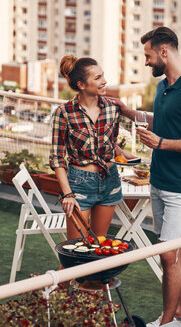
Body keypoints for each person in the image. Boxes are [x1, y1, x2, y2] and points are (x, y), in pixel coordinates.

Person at [109, 27, 181, 326]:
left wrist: (162, 143)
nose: (146, 62)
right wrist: (128, 112)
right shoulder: (163, 87)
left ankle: (166, 321)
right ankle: (179, 312)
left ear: (164, 51)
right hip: (159, 179)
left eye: (148, 55)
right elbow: (165, 120)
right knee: (172, 251)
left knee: (167, 255)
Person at [49, 55, 136, 240]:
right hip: (79, 184)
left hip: (109, 180)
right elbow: (57, 158)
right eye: (97, 78)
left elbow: (112, 146)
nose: (104, 81)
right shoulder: (63, 113)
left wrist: (135, 159)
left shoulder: (112, 109)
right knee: (75, 249)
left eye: (103, 76)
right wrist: (68, 194)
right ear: (81, 84)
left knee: (99, 243)